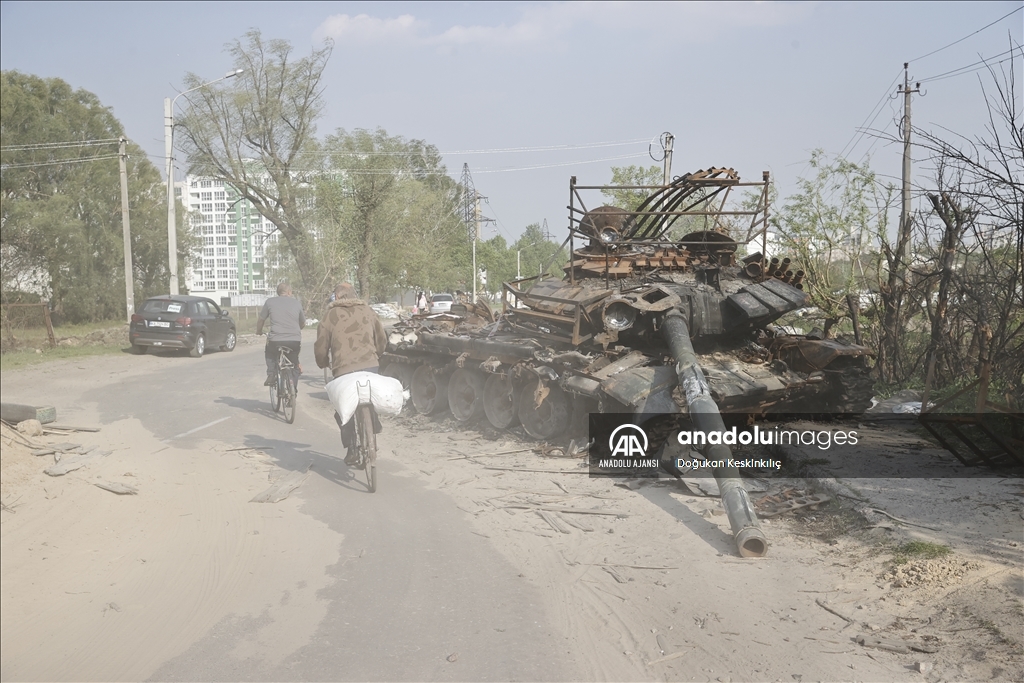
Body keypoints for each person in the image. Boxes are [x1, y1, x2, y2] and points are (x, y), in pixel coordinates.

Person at [315, 283, 388, 464]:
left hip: (343, 369)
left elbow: (321, 346)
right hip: (370, 365)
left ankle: (352, 449)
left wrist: (323, 362)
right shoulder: (368, 311)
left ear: (337, 298)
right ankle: (373, 420)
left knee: (342, 409)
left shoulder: (330, 316)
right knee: (369, 394)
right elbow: (381, 338)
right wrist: (377, 355)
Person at [256, 283, 305, 387]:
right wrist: (296, 329)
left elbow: (261, 320)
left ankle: (271, 374)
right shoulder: (297, 303)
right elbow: (303, 323)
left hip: (275, 340)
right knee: (294, 365)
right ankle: (293, 392)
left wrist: (259, 331)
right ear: (289, 292)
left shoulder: (270, 302)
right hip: (294, 340)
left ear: (278, 293)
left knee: (270, 352)